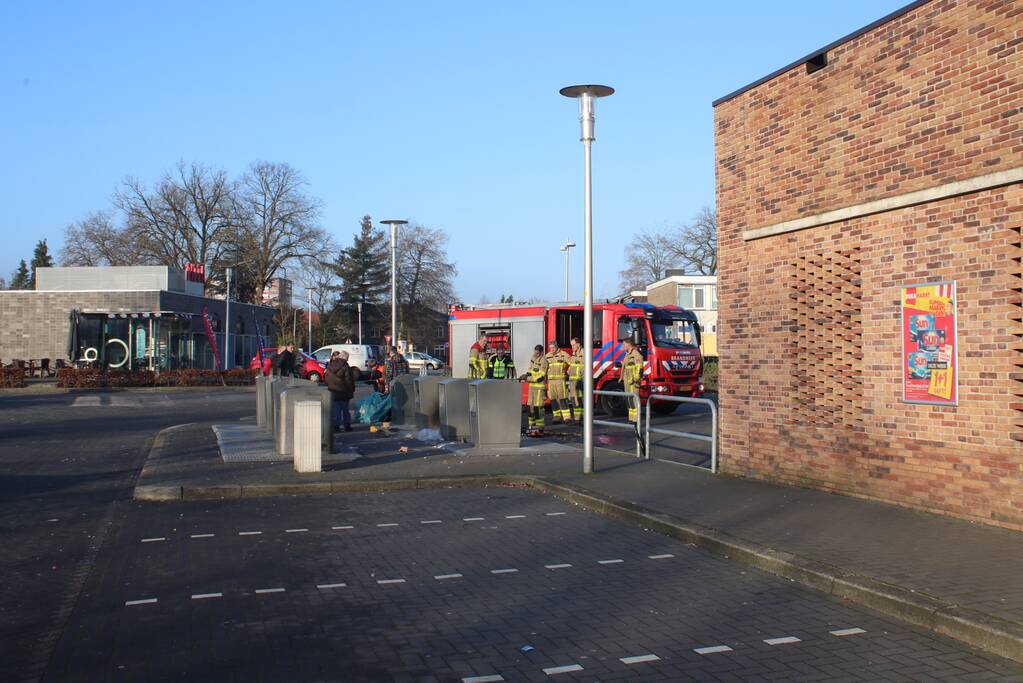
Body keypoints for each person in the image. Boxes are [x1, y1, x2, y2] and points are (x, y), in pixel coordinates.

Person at [519, 345, 548, 437]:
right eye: (535, 352)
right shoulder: (533, 358)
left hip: (539, 388)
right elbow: (530, 371)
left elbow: (540, 377)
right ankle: (532, 427)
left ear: (541, 352)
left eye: (537, 353)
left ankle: (539, 428)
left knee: (538, 409)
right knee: (530, 408)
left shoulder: (544, 361)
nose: (535, 354)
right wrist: (524, 376)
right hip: (532, 388)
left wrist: (527, 378)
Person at [325, 350, 355, 432]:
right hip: (344, 391)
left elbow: (326, 378)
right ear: (345, 358)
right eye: (348, 358)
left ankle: (336, 426)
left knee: (336, 410)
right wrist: (351, 389)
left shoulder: (330, 365)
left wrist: (330, 386)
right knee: (345, 410)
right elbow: (349, 380)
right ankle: (347, 426)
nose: (348, 360)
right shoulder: (346, 367)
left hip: (333, 391)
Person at [545, 340, 571, 423]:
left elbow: (572, 363)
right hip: (551, 381)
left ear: (556, 347)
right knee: (553, 399)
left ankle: (567, 417)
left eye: (553, 347)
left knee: (562, 398)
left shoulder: (563, 354)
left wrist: (568, 372)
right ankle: (557, 417)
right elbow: (544, 368)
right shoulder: (547, 356)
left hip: (560, 380)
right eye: (550, 348)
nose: (552, 349)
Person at [620, 338, 644, 423]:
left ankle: (636, 419)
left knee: (634, 399)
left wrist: (636, 380)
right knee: (629, 399)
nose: (622, 346)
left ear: (628, 344)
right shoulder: (627, 355)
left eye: (624, 344)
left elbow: (639, 369)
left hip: (633, 382)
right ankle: (631, 418)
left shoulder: (636, 355)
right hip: (627, 381)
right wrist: (621, 377)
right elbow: (625, 367)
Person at [567, 336, 585, 421]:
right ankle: (577, 418)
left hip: (580, 381)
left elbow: (585, 368)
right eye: (571, 345)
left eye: (573, 345)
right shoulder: (574, 354)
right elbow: (573, 366)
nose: (572, 347)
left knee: (581, 400)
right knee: (574, 400)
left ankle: (584, 418)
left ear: (578, 344)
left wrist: (583, 381)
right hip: (573, 382)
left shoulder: (584, 353)